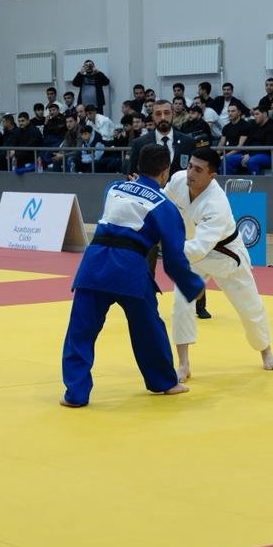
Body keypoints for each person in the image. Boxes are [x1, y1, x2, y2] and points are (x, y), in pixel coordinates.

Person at [60, 144, 205, 408]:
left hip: (93, 265)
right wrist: (192, 285)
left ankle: (75, 394)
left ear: (137, 166)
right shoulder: (165, 207)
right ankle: (165, 382)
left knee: (80, 331)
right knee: (148, 328)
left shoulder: (114, 188)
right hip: (129, 270)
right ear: (165, 172)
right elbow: (173, 258)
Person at [165, 146, 273, 378]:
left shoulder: (216, 204)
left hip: (225, 256)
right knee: (180, 304)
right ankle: (183, 364)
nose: (190, 173)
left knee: (249, 308)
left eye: (198, 170)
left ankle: (265, 350)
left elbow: (200, 248)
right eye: (190, 166)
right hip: (190, 252)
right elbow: (161, 203)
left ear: (212, 175)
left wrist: (164, 245)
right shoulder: (178, 180)